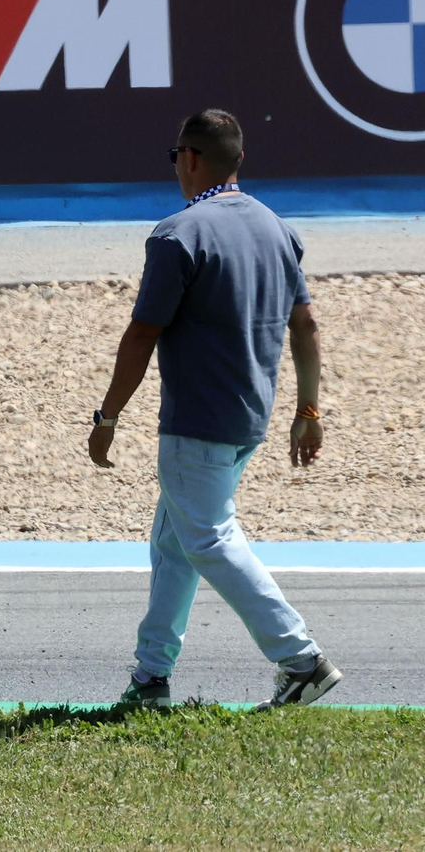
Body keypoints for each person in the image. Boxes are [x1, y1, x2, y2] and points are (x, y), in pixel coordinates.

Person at [89, 109, 340, 710]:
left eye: (175, 157)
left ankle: (301, 658)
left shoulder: (177, 234)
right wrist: (308, 410)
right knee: (175, 542)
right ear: (239, 160)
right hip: (250, 417)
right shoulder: (277, 228)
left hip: (196, 422)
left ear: (190, 158)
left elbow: (142, 334)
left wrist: (107, 416)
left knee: (208, 538)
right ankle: (151, 677)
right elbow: (306, 325)